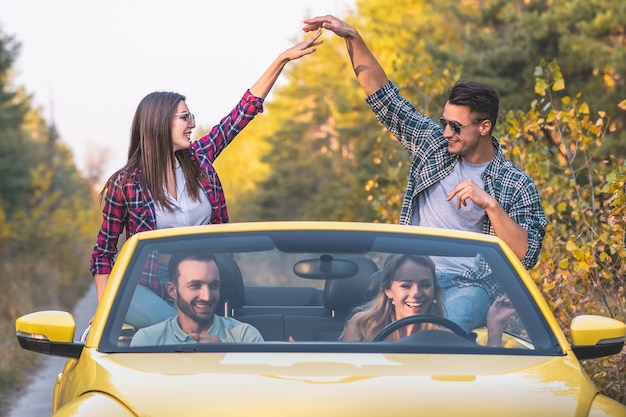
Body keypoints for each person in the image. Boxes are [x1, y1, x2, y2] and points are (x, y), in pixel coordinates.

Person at [303, 16, 547, 333]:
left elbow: (525, 255)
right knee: (360, 329)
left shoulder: (516, 184)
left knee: (440, 333)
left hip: (467, 286)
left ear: (484, 127)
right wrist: (352, 37)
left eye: (456, 127)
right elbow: (384, 99)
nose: (446, 132)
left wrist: (491, 206)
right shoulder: (434, 147)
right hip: (410, 278)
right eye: (444, 122)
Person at [90, 30, 323, 327]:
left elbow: (242, 112)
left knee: (203, 337)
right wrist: (103, 316)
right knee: (180, 334)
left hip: (205, 281)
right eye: (185, 117)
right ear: (160, 124)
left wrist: (281, 60)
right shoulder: (125, 184)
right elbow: (104, 253)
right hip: (148, 286)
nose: (193, 124)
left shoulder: (200, 161)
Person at [340, 254, 515, 347]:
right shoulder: (361, 325)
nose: (416, 293)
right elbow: (345, 382)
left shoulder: (446, 336)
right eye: (406, 285)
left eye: (425, 285)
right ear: (388, 290)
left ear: (434, 290)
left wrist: (495, 328)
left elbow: (483, 383)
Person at [130, 253, 263, 346]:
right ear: (172, 290)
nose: (206, 296)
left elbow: (260, 385)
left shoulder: (245, 336)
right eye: (195, 286)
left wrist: (225, 355)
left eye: (213, 286)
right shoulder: (147, 341)